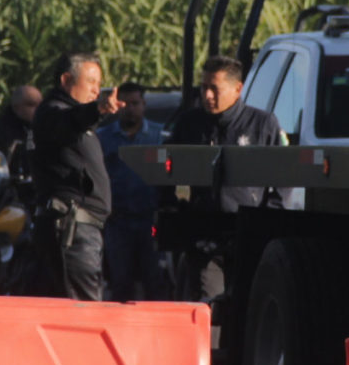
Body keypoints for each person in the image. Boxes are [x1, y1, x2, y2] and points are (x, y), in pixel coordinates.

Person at [165, 55, 282, 304]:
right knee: (209, 306)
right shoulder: (189, 124)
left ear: (238, 89)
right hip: (205, 239)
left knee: (246, 304)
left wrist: (269, 218)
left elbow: (283, 178)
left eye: (214, 88)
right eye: (204, 87)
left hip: (248, 235)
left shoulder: (262, 124)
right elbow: (165, 169)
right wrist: (177, 211)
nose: (207, 95)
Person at [29, 52, 121, 301]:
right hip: (71, 231)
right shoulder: (53, 113)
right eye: (90, 82)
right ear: (66, 79)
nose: (96, 90)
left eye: (99, 84)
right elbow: (69, 120)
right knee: (84, 316)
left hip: (83, 231)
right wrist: (97, 109)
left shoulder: (76, 120)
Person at [97, 80, 164, 302]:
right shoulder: (102, 137)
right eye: (124, 103)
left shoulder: (158, 137)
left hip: (150, 222)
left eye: (135, 103)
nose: (130, 108)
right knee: (120, 283)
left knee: (155, 282)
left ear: (143, 104)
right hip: (117, 221)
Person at [0, 84, 43, 155]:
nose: (38, 109)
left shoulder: (43, 129)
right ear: (16, 107)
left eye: (41, 104)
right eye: (31, 104)